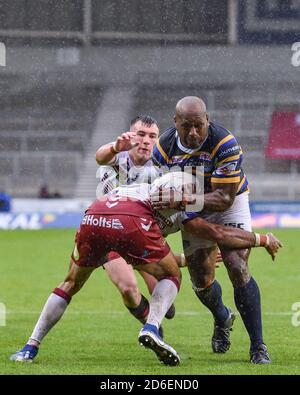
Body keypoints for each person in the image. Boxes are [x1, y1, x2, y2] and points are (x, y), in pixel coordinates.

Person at [10, 172, 282, 366]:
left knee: (70, 283)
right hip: (132, 222)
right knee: (172, 275)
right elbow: (218, 233)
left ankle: (29, 347)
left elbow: (123, 239)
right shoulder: (182, 205)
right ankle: (151, 327)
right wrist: (262, 239)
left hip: (94, 216)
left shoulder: (136, 187)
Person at [151, 96, 273, 364]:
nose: (193, 133)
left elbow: (224, 198)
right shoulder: (162, 148)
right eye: (187, 127)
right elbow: (159, 191)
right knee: (201, 280)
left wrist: (183, 200)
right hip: (194, 207)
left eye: (199, 125)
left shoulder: (224, 143)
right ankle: (222, 317)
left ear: (207, 120)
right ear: (176, 123)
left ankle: (258, 347)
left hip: (229, 201)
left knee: (236, 264)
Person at [95, 115, 176, 335]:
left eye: (152, 136)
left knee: (168, 306)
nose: (146, 140)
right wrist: (114, 147)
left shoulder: (162, 166)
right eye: (140, 134)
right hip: (111, 238)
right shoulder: (117, 157)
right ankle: (152, 328)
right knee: (129, 290)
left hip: (143, 238)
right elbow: (100, 157)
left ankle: (155, 318)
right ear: (131, 135)